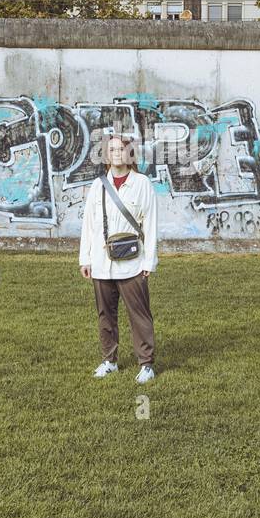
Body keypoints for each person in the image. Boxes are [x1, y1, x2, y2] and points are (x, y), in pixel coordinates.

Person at [79, 134, 158, 382]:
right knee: (105, 315)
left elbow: (151, 224)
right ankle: (109, 360)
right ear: (106, 155)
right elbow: (88, 224)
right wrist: (85, 258)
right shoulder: (97, 185)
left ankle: (146, 364)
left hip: (133, 262)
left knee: (139, 314)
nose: (116, 153)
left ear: (130, 154)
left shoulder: (142, 183)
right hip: (102, 262)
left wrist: (149, 261)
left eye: (121, 149)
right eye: (111, 149)